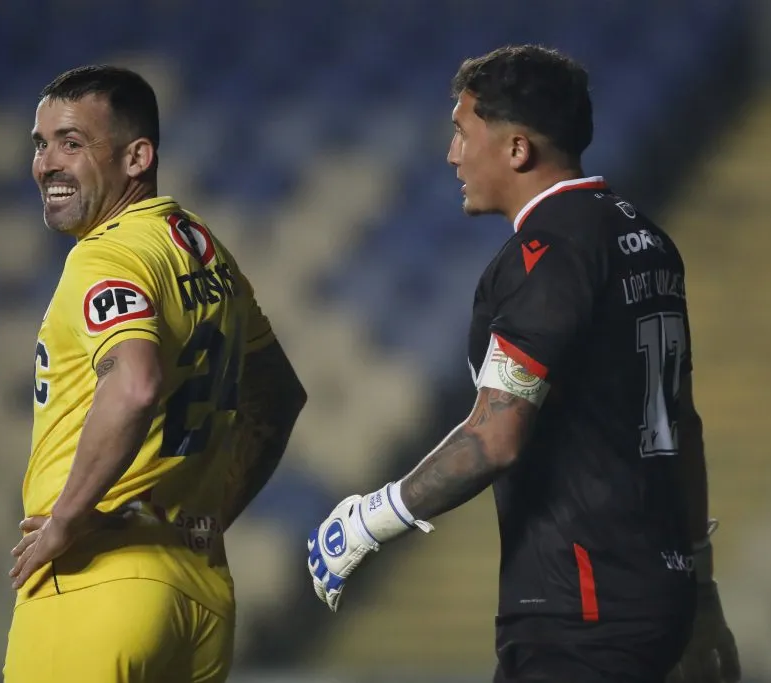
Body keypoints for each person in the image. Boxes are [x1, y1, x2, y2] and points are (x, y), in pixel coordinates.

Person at [307, 45, 740, 683]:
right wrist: (700, 588)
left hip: (582, 609)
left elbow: (494, 436)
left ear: (516, 149)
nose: (452, 154)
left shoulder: (548, 254)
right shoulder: (644, 238)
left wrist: (372, 519)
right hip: (655, 589)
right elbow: (682, 422)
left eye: (462, 133)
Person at [3, 65, 306, 683]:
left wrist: (64, 521)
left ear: (137, 156)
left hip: (97, 580)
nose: (46, 164)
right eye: (41, 144)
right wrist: (208, 516)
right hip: (198, 589)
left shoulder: (108, 253)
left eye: (72, 143)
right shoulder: (205, 252)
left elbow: (135, 384)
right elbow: (278, 395)